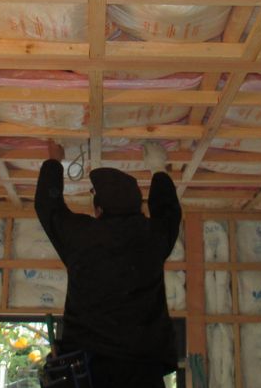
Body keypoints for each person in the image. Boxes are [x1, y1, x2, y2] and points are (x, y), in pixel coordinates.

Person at [35, 140, 181, 388]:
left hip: (94, 367)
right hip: (139, 371)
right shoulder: (151, 237)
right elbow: (169, 212)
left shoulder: (83, 237)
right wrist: (158, 169)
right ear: (138, 207)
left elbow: (48, 207)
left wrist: (54, 162)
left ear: (99, 210)